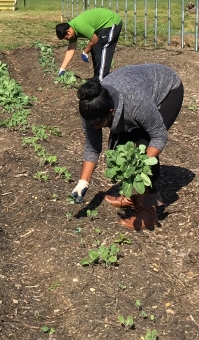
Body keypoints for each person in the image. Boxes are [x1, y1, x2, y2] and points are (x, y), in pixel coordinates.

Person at [71, 63, 184, 231]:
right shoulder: (91, 107)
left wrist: (141, 166)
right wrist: (82, 183)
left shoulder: (134, 102)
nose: (95, 128)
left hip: (166, 90)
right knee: (118, 151)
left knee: (141, 151)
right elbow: (92, 147)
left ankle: (148, 213)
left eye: (99, 124)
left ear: (111, 111)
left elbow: (159, 135)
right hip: (135, 91)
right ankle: (133, 196)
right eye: (92, 124)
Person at [55, 8, 123, 80]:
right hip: (102, 27)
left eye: (66, 38)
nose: (67, 39)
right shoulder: (72, 31)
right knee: (95, 48)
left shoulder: (80, 26)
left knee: (102, 47)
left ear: (68, 31)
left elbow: (94, 39)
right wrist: (62, 68)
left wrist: (85, 51)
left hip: (111, 22)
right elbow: (70, 49)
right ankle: (98, 76)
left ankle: (101, 80)